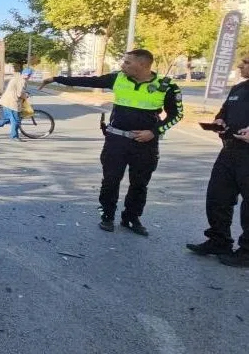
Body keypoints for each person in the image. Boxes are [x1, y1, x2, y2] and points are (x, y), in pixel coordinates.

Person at [39, 49, 183, 235]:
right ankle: (107, 216)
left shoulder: (167, 86)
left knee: (139, 184)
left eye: (127, 63)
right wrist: (56, 79)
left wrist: (154, 132)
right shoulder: (118, 78)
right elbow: (89, 81)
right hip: (116, 141)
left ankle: (131, 218)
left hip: (145, 145)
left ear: (143, 65)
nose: (122, 66)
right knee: (110, 181)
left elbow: (177, 114)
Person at [186, 55, 249, 267]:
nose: (240, 65)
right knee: (217, 197)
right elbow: (224, 112)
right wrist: (219, 120)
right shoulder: (238, 89)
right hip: (230, 152)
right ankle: (219, 240)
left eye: (246, 62)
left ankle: (247, 251)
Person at [0, 68, 33, 141]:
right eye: (27, 75)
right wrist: (26, 96)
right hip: (12, 103)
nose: (27, 76)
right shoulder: (22, 81)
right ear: (24, 74)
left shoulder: (16, 78)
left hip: (6, 101)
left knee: (7, 119)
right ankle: (14, 137)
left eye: (28, 75)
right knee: (16, 120)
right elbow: (19, 94)